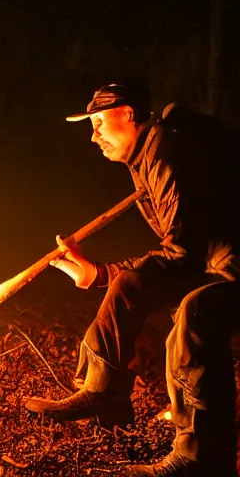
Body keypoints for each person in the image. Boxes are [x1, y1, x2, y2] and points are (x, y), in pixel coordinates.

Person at [24, 82, 240, 476]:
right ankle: (102, 393)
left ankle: (201, 459)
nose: (94, 136)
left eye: (99, 123)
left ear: (128, 115)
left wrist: (102, 273)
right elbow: (183, 253)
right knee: (130, 285)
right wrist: (101, 276)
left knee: (196, 312)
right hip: (213, 263)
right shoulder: (149, 157)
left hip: (231, 271)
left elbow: (181, 257)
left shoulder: (166, 159)